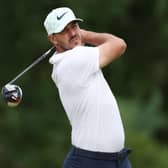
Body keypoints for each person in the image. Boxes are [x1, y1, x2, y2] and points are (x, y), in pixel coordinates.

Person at [44, 7, 132, 168]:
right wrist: (85, 35)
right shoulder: (74, 60)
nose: (72, 33)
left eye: (74, 26)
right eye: (65, 30)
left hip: (116, 160)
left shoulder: (68, 59)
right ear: (53, 39)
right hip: (91, 161)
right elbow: (119, 45)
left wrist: (78, 38)